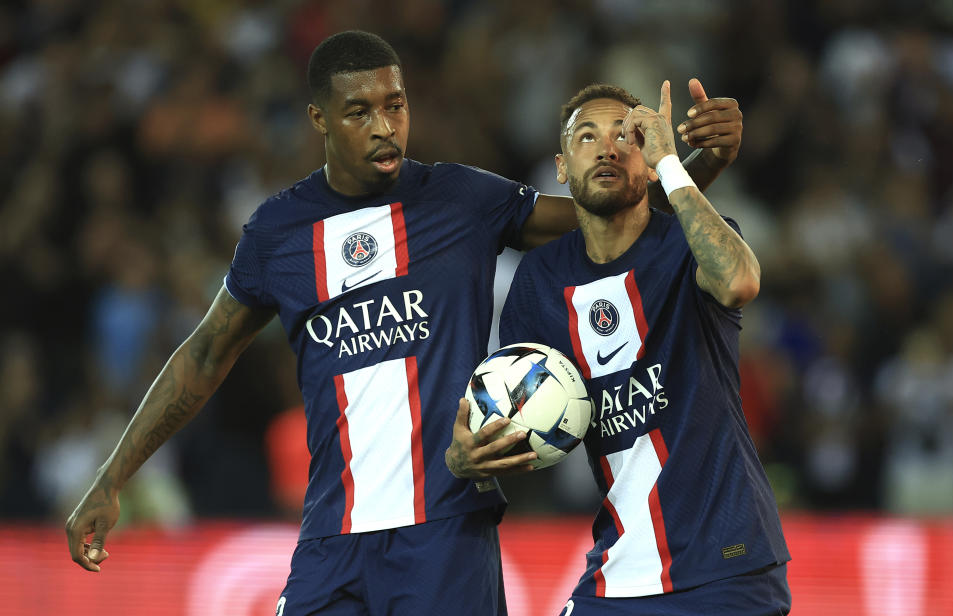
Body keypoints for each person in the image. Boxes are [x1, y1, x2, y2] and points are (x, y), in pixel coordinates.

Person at [65, 31, 743, 615]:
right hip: (332, 535)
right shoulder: (277, 233)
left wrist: (697, 163)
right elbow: (206, 353)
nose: (385, 125)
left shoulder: (464, 198)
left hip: (446, 535)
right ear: (319, 119)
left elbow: (609, 222)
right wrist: (112, 476)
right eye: (359, 111)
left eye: (395, 105)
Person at [449, 81, 791, 615]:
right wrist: (470, 456)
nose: (607, 147)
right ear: (561, 166)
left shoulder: (689, 241)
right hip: (618, 569)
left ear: (649, 160)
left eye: (626, 136)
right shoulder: (539, 281)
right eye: (586, 136)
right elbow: (514, 414)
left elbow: (739, 282)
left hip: (726, 562)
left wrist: (674, 166)